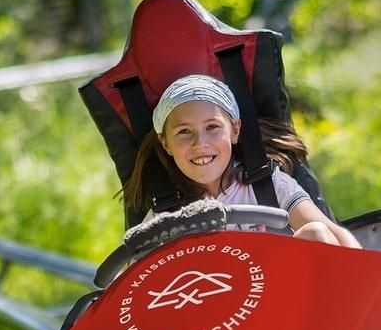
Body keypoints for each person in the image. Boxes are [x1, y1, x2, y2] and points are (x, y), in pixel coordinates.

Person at [121, 74, 360, 248]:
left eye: (212, 127)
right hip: (217, 299)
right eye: (184, 132)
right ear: (166, 144)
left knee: (316, 232)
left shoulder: (268, 186)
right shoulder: (164, 218)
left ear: (235, 130)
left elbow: (333, 234)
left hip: (286, 288)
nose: (200, 143)